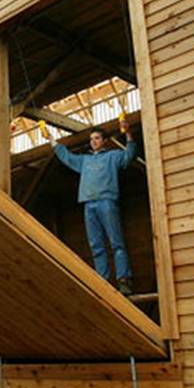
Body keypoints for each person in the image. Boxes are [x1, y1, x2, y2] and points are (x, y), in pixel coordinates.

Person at [46, 121, 137, 295]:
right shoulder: (84, 161)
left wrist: (128, 133)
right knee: (96, 245)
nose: (93, 141)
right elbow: (66, 156)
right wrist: (51, 139)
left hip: (107, 201)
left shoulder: (113, 156)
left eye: (97, 138)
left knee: (116, 242)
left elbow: (130, 155)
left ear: (104, 141)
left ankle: (124, 280)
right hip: (88, 204)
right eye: (91, 139)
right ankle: (102, 281)